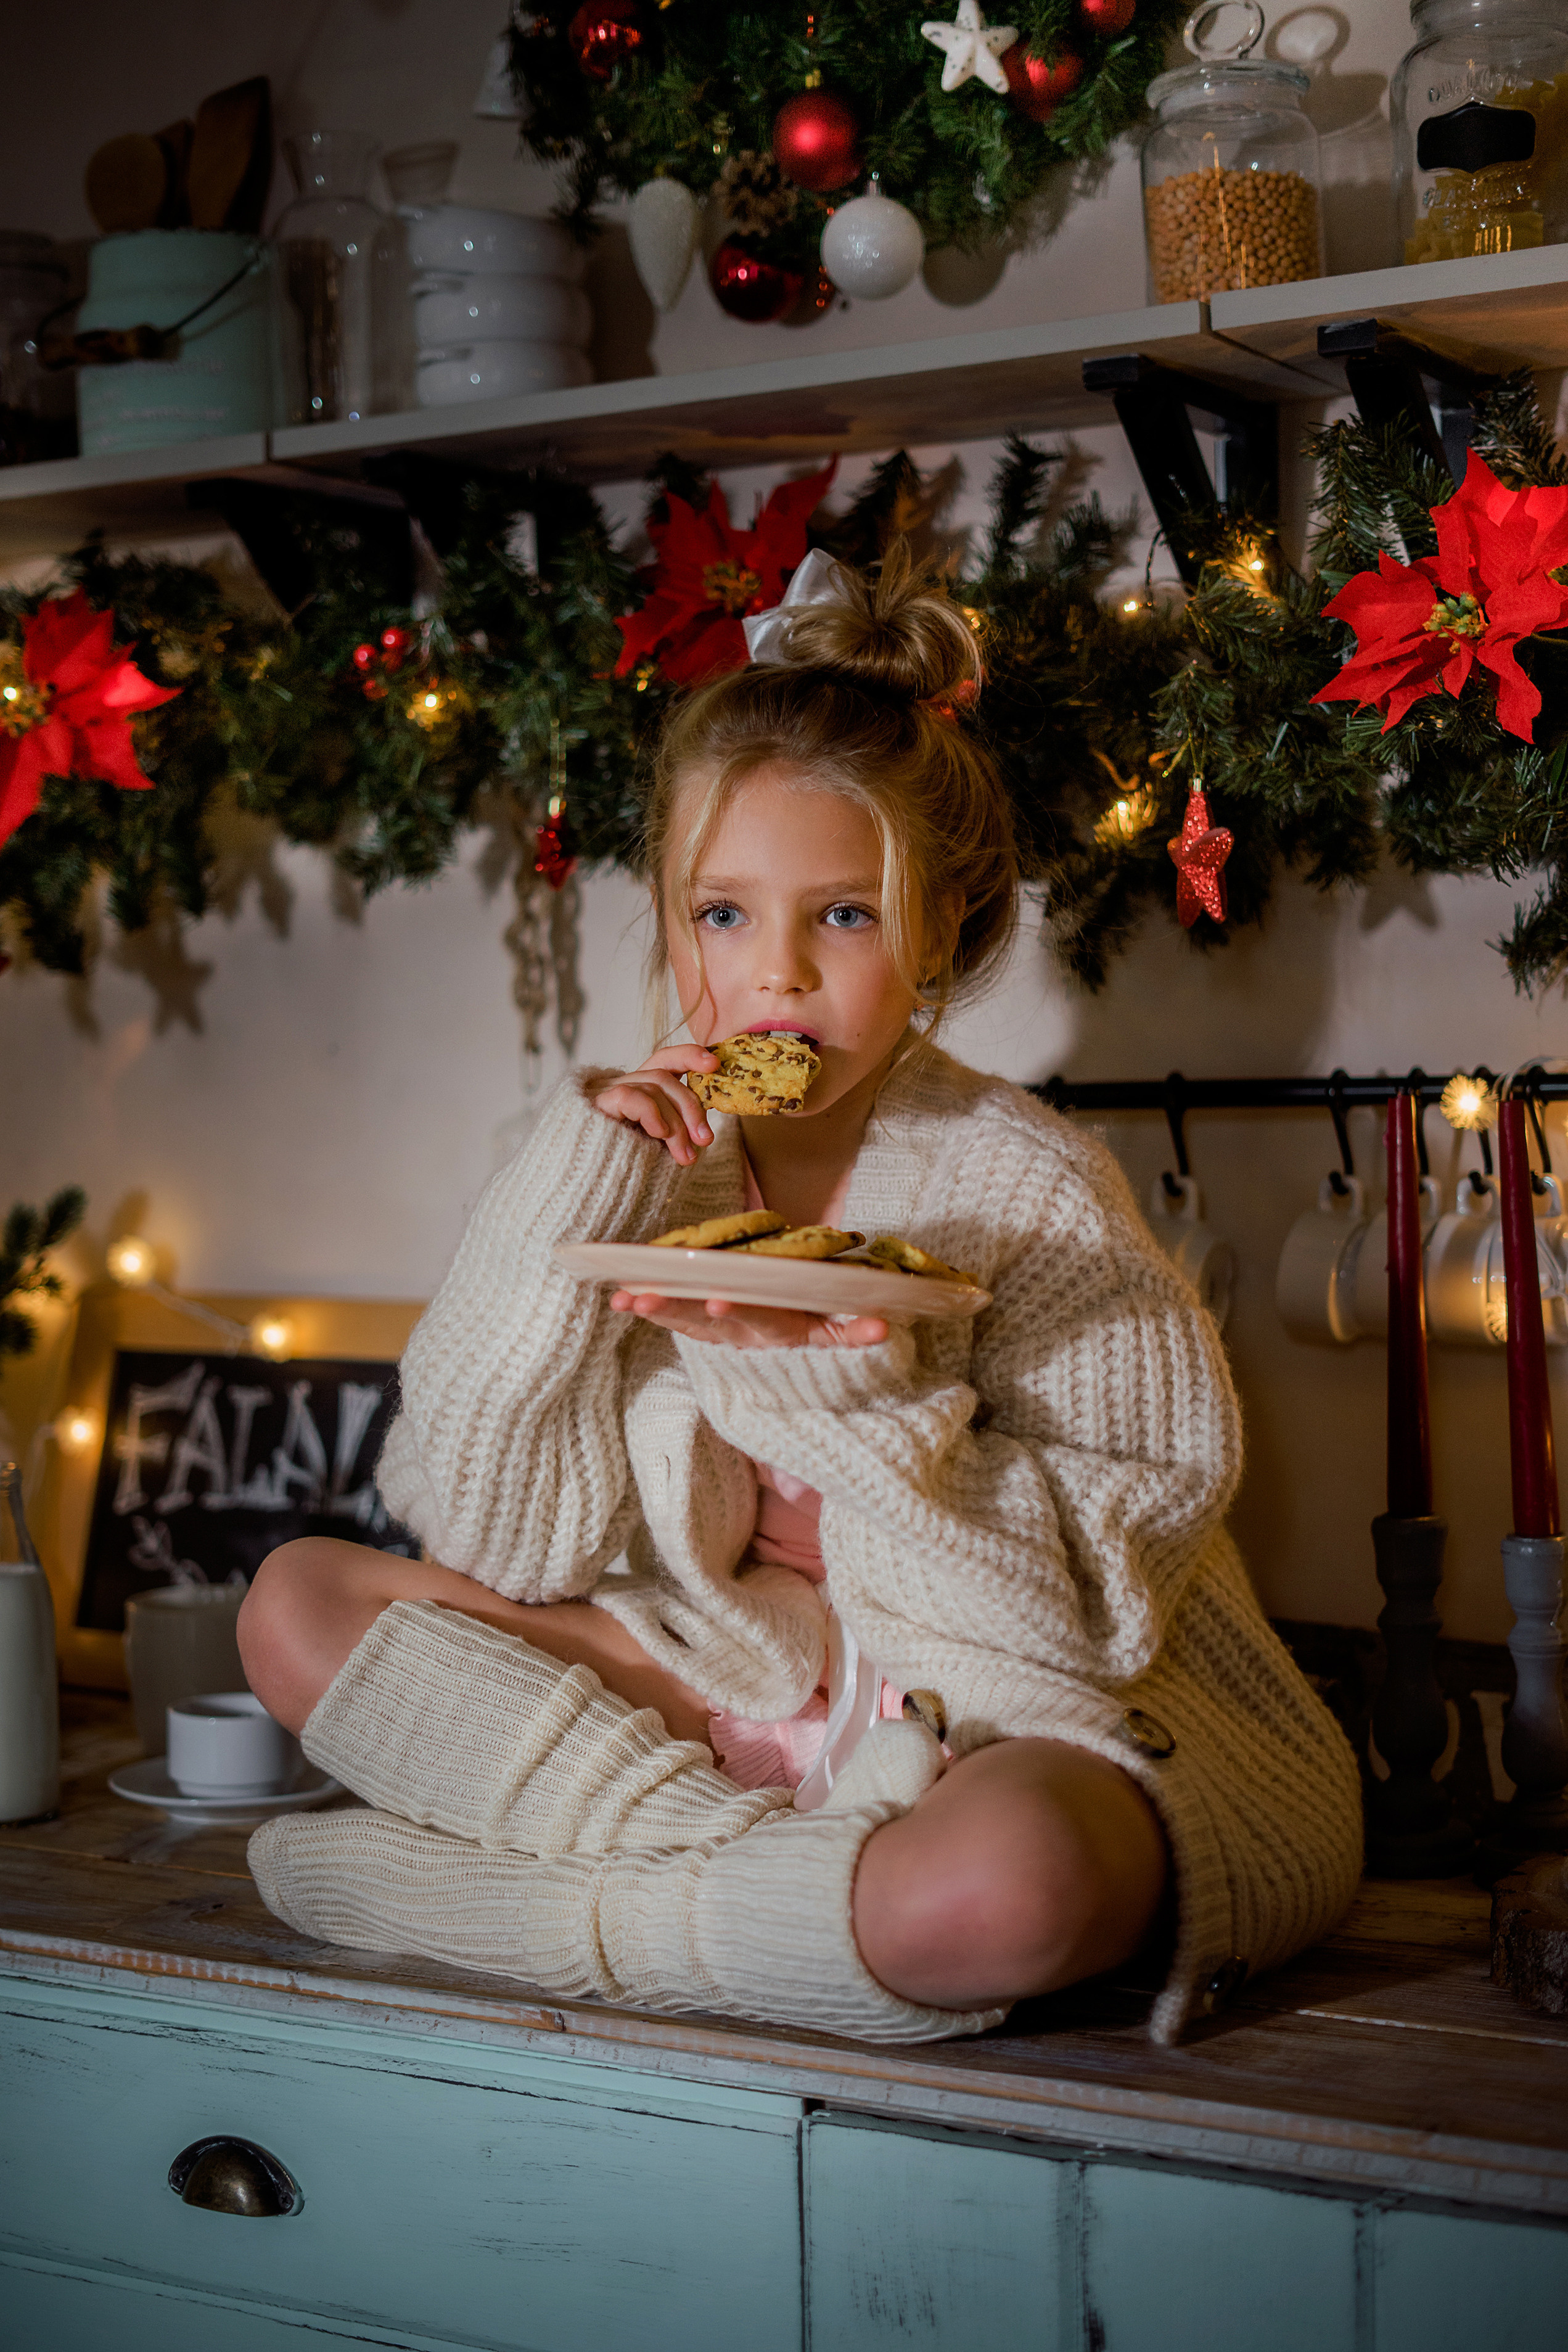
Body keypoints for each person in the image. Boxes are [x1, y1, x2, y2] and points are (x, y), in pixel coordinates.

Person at [241, 543, 1361, 2046]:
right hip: (724, 1682)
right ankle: (765, 1888)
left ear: (944, 924)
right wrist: (562, 1207)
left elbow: (1074, 1629)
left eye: (840, 915)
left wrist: (839, 1390)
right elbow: (504, 1543)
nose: (774, 976)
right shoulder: (637, 1169)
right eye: (723, 915)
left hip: (970, 1707)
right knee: (298, 1603)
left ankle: (572, 1912)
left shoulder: (1030, 1190)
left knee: (1002, 1891)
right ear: (675, 916)